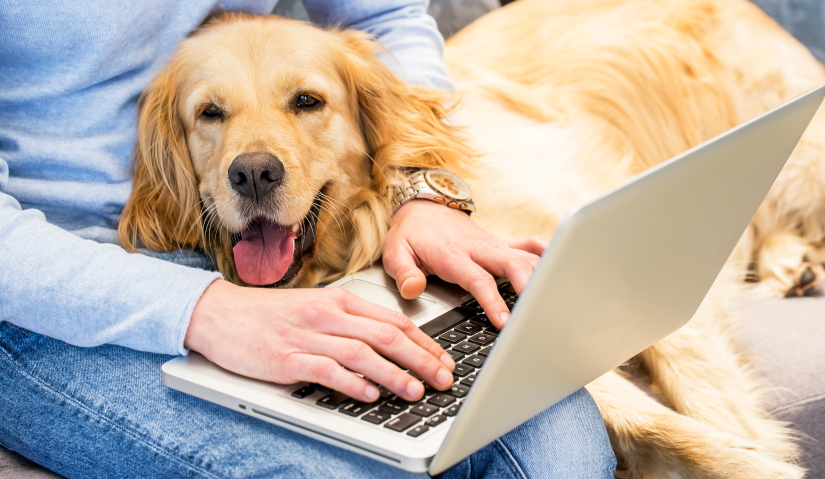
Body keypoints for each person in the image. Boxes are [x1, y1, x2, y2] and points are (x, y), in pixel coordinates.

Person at [0, 1, 617, 477]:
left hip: (239, 236)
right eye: (211, 113)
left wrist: (420, 186)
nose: (256, 166)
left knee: (556, 434)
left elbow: (383, 16)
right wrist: (201, 310)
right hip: (46, 285)